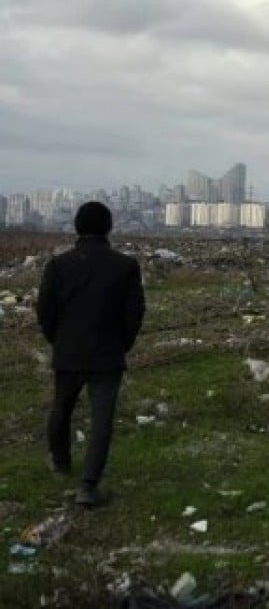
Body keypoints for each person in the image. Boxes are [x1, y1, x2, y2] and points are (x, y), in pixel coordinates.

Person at [36, 202, 145, 507]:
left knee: (62, 408)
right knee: (102, 420)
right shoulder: (125, 266)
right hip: (107, 354)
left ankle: (60, 462)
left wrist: (58, 341)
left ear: (77, 227)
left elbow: (45, 311)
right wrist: (122, 344)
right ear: (109, 227)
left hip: (68, 351)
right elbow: (134, 313)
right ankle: (88, 484)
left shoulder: (59, 265)